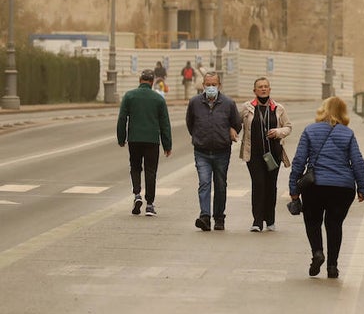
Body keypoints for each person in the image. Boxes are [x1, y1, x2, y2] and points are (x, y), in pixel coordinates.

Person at [288, 96, 364, 279]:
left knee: (313, 221)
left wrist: (294, 189)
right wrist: (363, 187)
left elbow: (299, 161)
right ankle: (332, 266)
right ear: (343, 112)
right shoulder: (347, 133)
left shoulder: (310, 130)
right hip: (342, 187)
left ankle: (317, 252)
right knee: (334, 225)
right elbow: (357, 161)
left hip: (315, 186)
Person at [185, 71, 241, 231]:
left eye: (213, 85)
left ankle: (219, 218)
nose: (210, 87)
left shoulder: (228, 103)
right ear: (203, 85)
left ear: (219, 86)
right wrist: (199, 137)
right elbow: (190, 123)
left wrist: (231, 129)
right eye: (208, 85)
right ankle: (204, 216)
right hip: (202, 151)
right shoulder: (195, 102)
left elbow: (237, 123)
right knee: (204, 183)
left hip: (222, 151)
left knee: (220, 185)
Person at [239, 76, 293, 232]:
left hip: (273, 154)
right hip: (254, 155)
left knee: (271, 186)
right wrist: (232, 130)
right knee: (259, 185)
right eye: (260, 86)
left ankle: (270, 219)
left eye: (266, 86)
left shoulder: (278, 108)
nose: (263, 89)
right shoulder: (247, 107)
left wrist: (278, 131)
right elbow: (236, 122)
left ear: (270, 89)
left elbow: (288, 127)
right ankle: (257, 221)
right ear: (254, 90)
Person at [115, 69, 172, 217]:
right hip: (152, 140)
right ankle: (150, 205)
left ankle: (137, 194)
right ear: (152, 83)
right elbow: (165, 123)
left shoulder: (129, 96)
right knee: (150, 171)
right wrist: (167, 145)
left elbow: (122, 119)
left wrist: (121, 138)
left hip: (134, 139)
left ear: (140, 80)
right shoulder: (159, 99)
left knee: (135, 167)